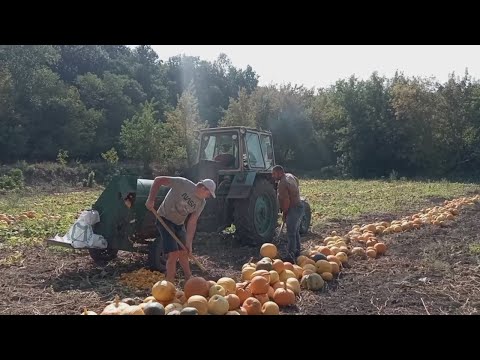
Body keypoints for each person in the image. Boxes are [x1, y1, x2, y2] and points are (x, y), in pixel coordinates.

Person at [145, 176, 216, 283]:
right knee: (173, 254)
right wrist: (151, 200)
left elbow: (192, 222)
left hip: (178, 224)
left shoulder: (201, 203)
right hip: (164, 219)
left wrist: (189, 243)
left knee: (184, 252)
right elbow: (158, 180)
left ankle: (189, 279)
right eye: (209, 194)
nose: (208, 196)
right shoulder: (183, 183)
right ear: (203, 188)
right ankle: (169, 284)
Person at [272, 165, 304, 262]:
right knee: (295, 231)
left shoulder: (282, 183)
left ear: (280, 173)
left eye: (274, 174)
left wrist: (285, 213)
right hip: (300, 206)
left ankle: (291, 255)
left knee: (290, 233)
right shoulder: (290, 176)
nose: (273, 176)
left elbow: (286, 201)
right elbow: (297, 183)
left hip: (293, 208)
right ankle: (297, 251)